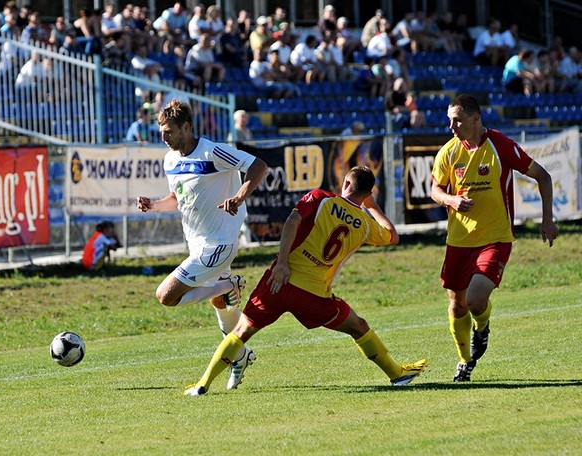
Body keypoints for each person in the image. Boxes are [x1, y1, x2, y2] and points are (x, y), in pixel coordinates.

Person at [184, 166, 428, 396]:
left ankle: (203, 385)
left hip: (279, 282)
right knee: (359, 327)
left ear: (345, 183)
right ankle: (396, 374)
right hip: (314, 296)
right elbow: (393, 236)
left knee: (240, 332)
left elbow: (292, 221)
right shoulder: (364, 225)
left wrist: (281, 263)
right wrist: (372, 207)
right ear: (367, 195)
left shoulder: (321, 197)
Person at [136, 99, 269, 391]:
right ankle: (240, 356)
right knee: (220, 304)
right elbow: (178, 197)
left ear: (186, 126)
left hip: (219, 244)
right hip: (197, 244)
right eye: (160, 130)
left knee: (166, 296)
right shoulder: (170, 159)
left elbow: (258, 166)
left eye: (169, 130)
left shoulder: (213, 151)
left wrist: (239, 196)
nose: (163, 136)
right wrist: (154, 205)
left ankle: (229, 285)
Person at [430, 94, 558, 382]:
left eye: (457, 120)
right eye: (449, 120)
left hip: (495, 238)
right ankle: (465, 362)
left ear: (475, 119)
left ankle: (482, 326)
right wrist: (451, 200)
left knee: (475, 300)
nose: (451, 126)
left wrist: (547, 219)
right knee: (457, 305)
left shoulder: (500, 145)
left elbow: (543, 176)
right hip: (458, 241)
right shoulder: (448, 152)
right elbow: (435, 190)